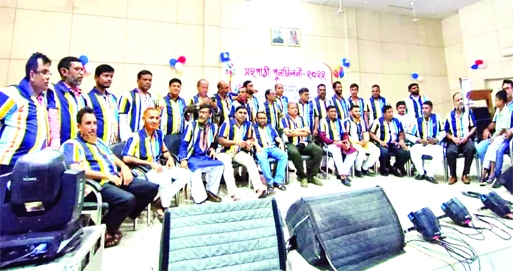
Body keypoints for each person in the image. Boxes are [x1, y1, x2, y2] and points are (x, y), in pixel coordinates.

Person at [61, 107, 158, 248]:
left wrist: (124, 168)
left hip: (114, 178)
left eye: (94, 123)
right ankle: (105, 232)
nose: (92, 127)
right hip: (97, 184)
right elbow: (77, 169)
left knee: (150, 188)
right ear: (78, 126)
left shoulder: (99, 142)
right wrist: (107, 176)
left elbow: (113, 158)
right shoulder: (72, 145)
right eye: (88, 123)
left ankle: (113, 220)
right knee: (127, 199)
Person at [122, 108, 190, 221]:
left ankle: (158, 202)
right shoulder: (135, 136)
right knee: (165, 178)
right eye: (151, 118)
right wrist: (150, 163)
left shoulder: (159, 134)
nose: (154, 120)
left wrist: (170, 158)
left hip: (158, 168)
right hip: (144, 170)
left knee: (186, 174)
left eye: (157, 118)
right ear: (144, 119)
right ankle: (164, 208)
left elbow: (165, 151)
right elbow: (126, 157)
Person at [0, 52, 53, 175]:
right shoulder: (12, 94)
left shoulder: (40, 99)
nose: (48, 77)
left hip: (30, 167)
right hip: (7, 165)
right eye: (44, 72)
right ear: (32, 74)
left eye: (49, 73)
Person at [217, 106, 273, 199]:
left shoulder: (248, 124)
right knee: (227, 165)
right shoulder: (227, 123)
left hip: (238, 151)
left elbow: (249, 138)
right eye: (240, 112)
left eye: (244, 113)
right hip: (223, 152)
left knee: (250, 160)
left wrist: (249, 143)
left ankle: (259, 189)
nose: (242, 115)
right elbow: (220, 140)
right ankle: (233, 193)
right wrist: (236, 142)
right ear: (235, 114)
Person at [178, 104, 224, 204]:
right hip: (192, 157)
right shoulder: (191, 126)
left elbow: (214, 142)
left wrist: (212, 149)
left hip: (205, 157)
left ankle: (210, 192)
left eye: (204, 113)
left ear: (210, 115)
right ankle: (200, 198)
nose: (201, 115)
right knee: (196, 169)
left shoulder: (214, 127)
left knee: (219, 165)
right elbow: (183, 144)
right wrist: (183, 159)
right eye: (200, 112)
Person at [476, 79, 513, 180]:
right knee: (480, 147)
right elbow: (494, 122)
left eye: (508, 88)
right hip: (498, 134)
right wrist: (487, 129)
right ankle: (488, 170)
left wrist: (509, 132)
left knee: (498, 149)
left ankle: (497, 174)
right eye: (503, 89)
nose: (505, 91)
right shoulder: (498, 108)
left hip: (508, 135)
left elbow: (505, 128)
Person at [46, 56, 86, 148]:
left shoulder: (82, 96)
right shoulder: (54, 91)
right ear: (64, 71)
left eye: (82, 69)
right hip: (61, 147)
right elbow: (53, 120)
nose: (81, 73)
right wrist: (55, 146)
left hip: (80, 147)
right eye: (77, 69)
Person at [282, 102, 323, 187]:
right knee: (294, 153)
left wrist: (294, 131)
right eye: (292, 108)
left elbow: (307, 132)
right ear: (288, 110)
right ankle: (302, 176)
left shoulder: (302, 118)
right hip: (290, 143)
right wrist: (301, 130)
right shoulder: (284, 119)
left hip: (303, 143)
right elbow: (288, 133)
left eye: (296, 107)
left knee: (318, 150)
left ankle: (312, 176)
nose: (295, 109)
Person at [407, 101, 445, 184]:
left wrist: (436, 139)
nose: (424, 110)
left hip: (433, 145)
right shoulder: (417, 120)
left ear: (431, 109)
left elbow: (443, 132)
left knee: (440, 152)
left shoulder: (437, 118)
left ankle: (430, 174)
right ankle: (421, 173)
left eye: (426, 108)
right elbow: (408, 134)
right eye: (423, 108)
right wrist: (418, 140)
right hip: (421, 144)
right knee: (413, 150)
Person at [319, 106, 357, 186]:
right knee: (336, 149)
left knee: (353, 151)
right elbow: (322, 136)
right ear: (327, 112)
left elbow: (345, 134)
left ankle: (344, 173)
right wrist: (334, 142)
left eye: (334, 111)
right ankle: (343, 176)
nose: (333, 113)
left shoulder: (339, 121)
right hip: (328, 144)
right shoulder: (323, 121)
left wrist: (346, 141)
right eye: (331, 111)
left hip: (340, 143)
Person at [444, 92, 477, 185]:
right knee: (450, 152)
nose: (460, 101)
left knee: (470, 148)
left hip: (466, 139)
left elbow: (474, 126)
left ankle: (465, 174)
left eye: (461, 99)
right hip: (454, 140)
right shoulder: (448, 116)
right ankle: (453, 175)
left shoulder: (468, 113)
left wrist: (467, 136)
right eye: (458, 100)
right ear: (454, 103)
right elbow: (446, 131)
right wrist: (453, 138)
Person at [369, 105, 410, 177]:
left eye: (392, 112)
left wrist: (401, 140)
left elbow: (401, 133)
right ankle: (384, 168)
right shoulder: (378, 121)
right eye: (389, 112)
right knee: (384, 152)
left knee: (406, 152)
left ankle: (396, 167)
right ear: (384, 114)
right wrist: (380, 141)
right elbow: (371, 133)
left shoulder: (397, 121)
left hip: (394, 143)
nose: (391, 114)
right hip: (382, 143)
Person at [83, 64, 119, 145]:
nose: (109, 79)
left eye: (111, 76)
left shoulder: (113, 98)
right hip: (96, 144)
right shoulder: (87, 98)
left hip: (113, 145)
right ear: (96, 77)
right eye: (106, 76)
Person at [253, 112, 288, 191]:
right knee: (262, 159)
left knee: (283, 155)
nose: (262, 120)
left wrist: (281, 142)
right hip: (261, 148)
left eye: (264, 118)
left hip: (272, 147)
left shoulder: (270, 126)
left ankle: (278, 181)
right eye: (260, 118)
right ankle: (270, 182)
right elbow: (251, 139)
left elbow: (276, 137)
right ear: (257, 119)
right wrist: (257, 146)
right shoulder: (253, 127)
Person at [118, 70, 155, 142]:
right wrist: (126, 138)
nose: (148, 82)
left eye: (150, 80)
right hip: (132, 138)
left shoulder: (152, 98)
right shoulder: (128, 96)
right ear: (138, 81)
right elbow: (122, 118)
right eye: (145, 79)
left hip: (148, 138)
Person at [345, 105, 379, 177]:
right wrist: (357, 142)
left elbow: (365, 132)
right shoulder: (347, 121)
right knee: (361, 151)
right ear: (351, 112)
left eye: (359, 111)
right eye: (356, 111)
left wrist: (366, 140)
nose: (358, 113)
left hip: (363, 142)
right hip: (353, 143)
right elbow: (347, 135)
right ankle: (358, 170)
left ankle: (364, 167)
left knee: (376, 150)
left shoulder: (362, 121)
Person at [159, 78, 187, 155]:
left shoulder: (183, 101)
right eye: (174, 86)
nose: (176, 88)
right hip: (166, 136)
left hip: (179, 135)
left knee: (177, 156)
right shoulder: (162, 100)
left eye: (178, 86)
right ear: (169, 87)